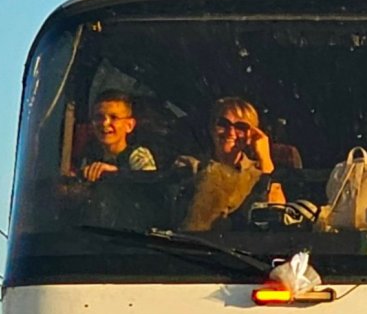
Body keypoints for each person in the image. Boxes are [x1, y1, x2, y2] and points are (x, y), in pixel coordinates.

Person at [179, 97, 278, 231]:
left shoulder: (259, 172)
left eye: (241, 127)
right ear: (212, 128)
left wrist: (265, 158)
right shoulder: (191, 166)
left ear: (252, 134)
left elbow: (278, 216)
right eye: (223, 124)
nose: (230, 132)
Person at [80, 90, 157, 182]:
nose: (105, 123)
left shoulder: (138, 156)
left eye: (114, 118)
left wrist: (115, 174)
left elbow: (150, 187)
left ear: (129, 125)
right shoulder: (89, 155)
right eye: (99, 117)